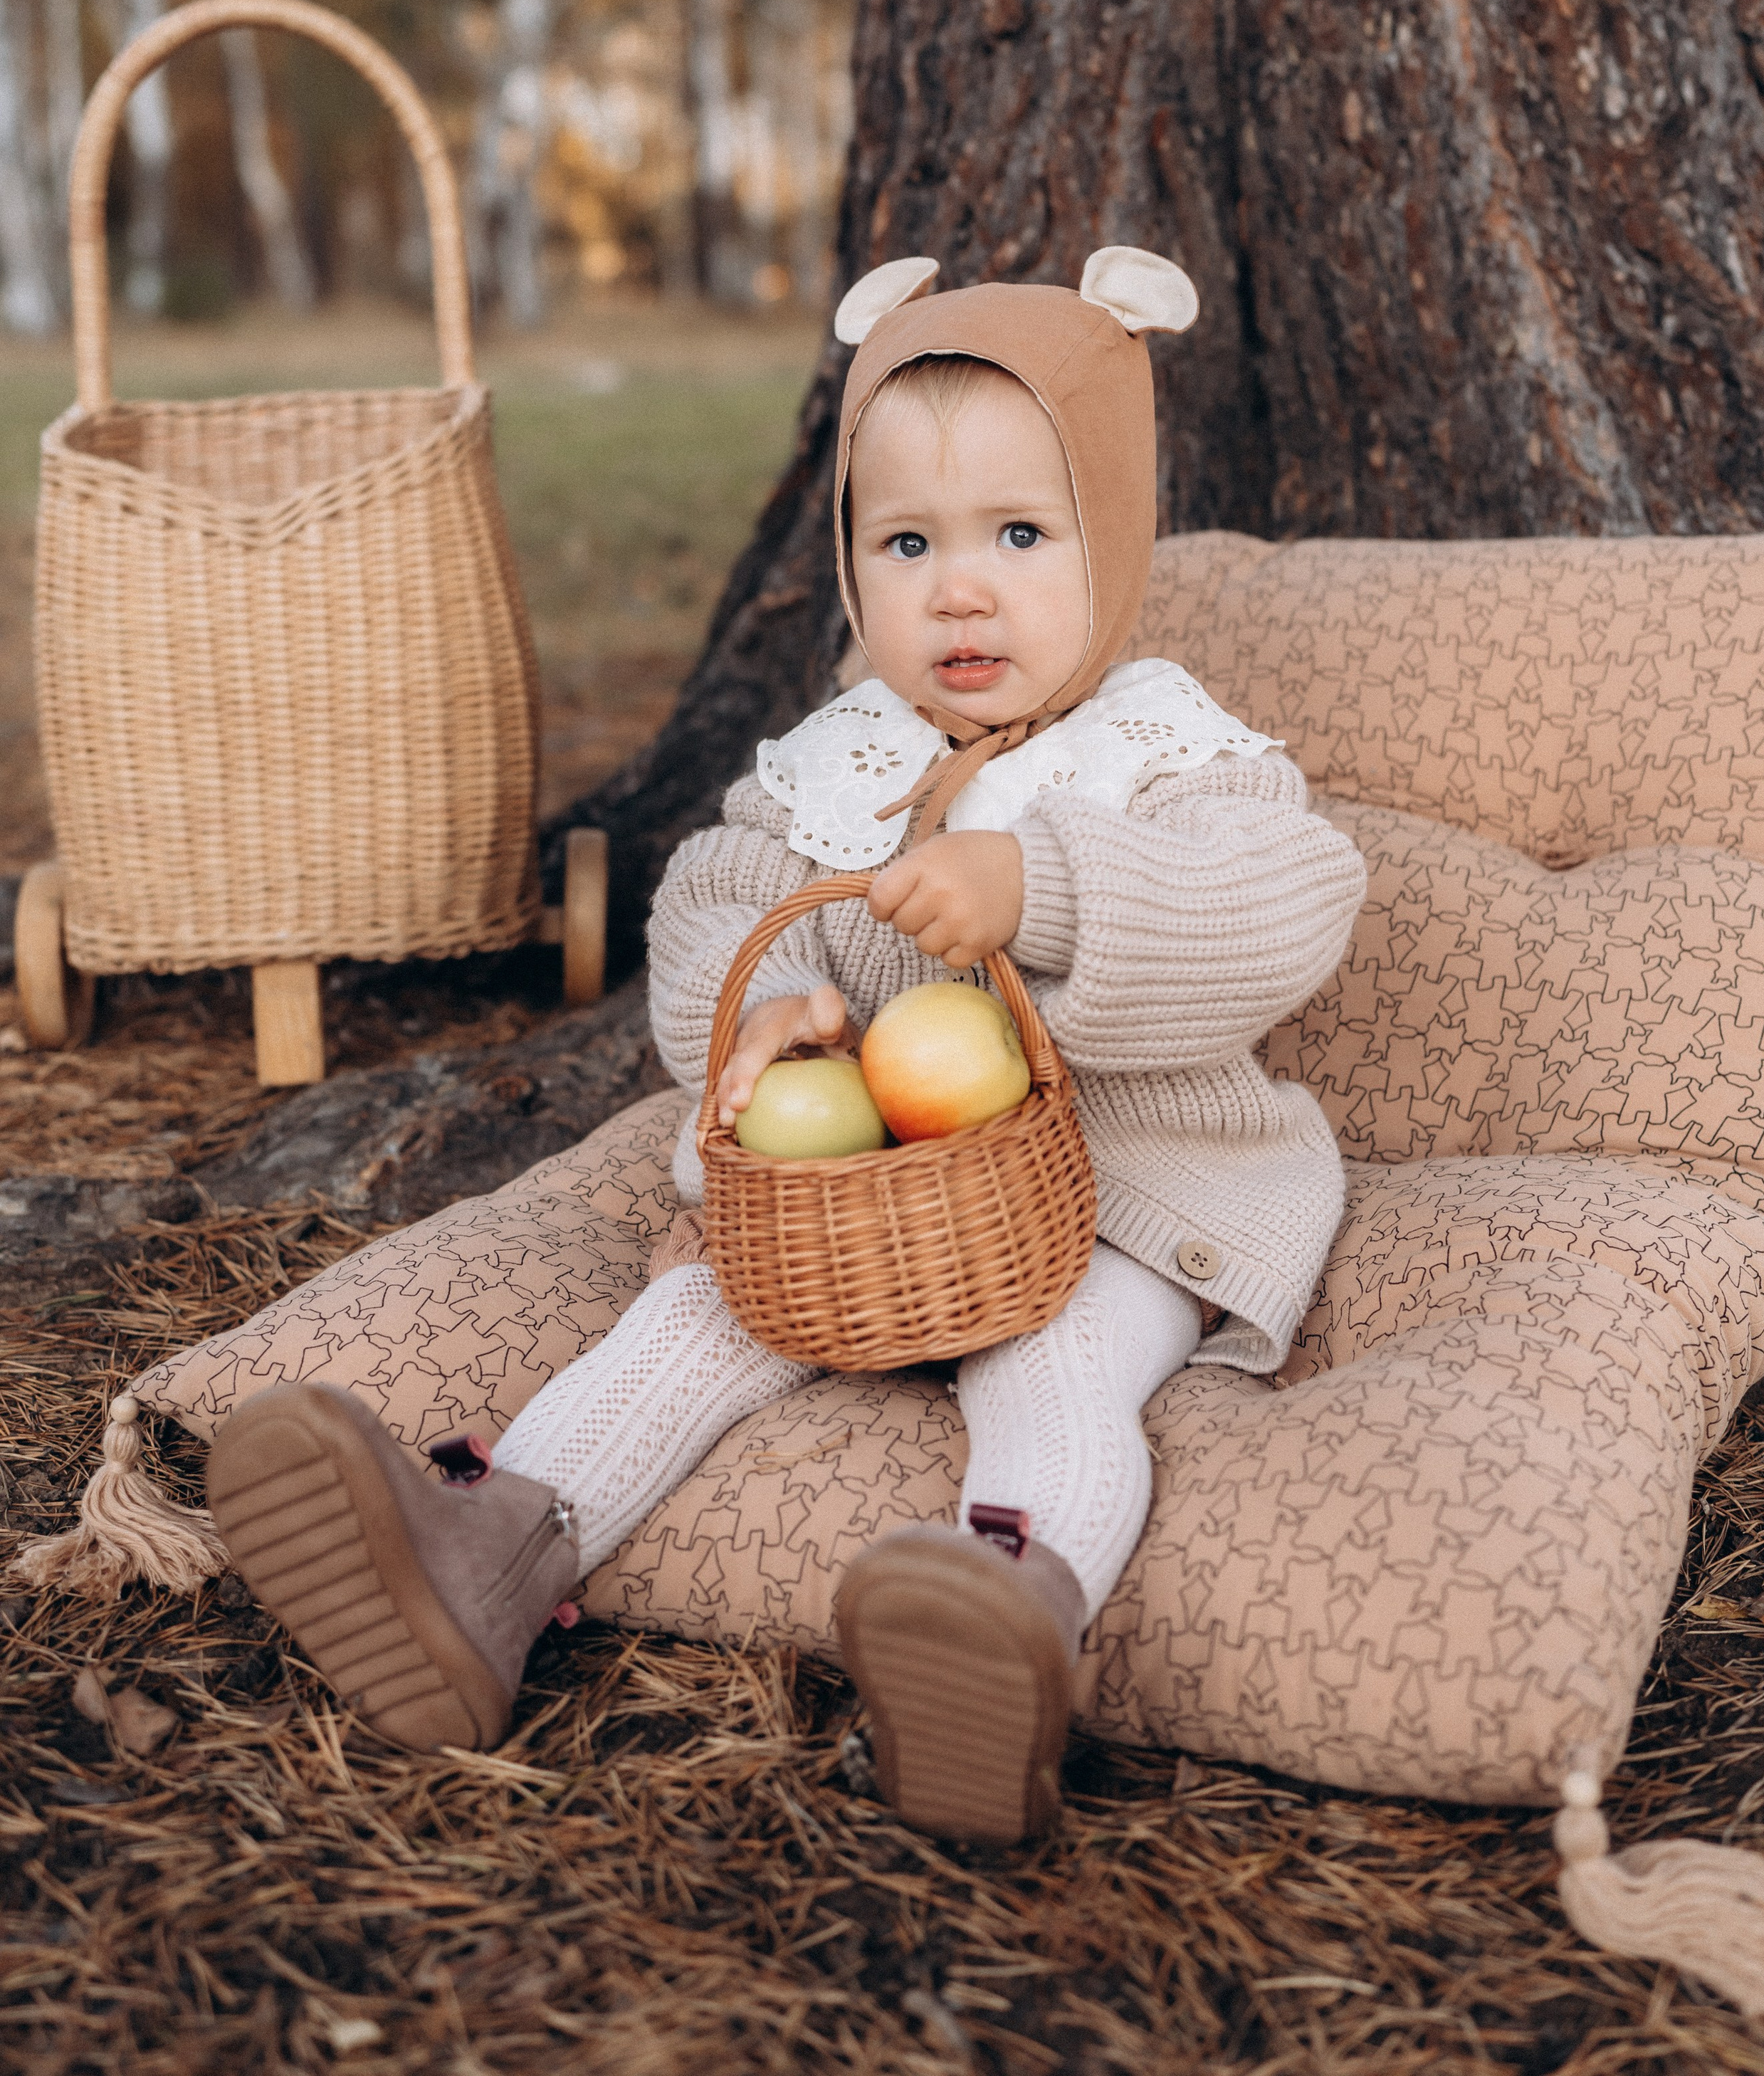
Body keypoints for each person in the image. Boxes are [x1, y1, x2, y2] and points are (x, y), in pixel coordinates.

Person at [206, 247, 1366, 1845]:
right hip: (854, 1209)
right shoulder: (840, 758)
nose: (959, 590)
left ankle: (1001, 1609)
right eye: (907, 543)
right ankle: (484, 1562)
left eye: (1020, 535)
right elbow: (716, 902)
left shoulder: (1161, 747)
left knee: (1063, 1367)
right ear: (851, 568)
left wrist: (1042, 885)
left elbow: (1287, 900)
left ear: (1117, 538)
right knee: (694, 1314)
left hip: (1118, 1190)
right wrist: (756, 1016)